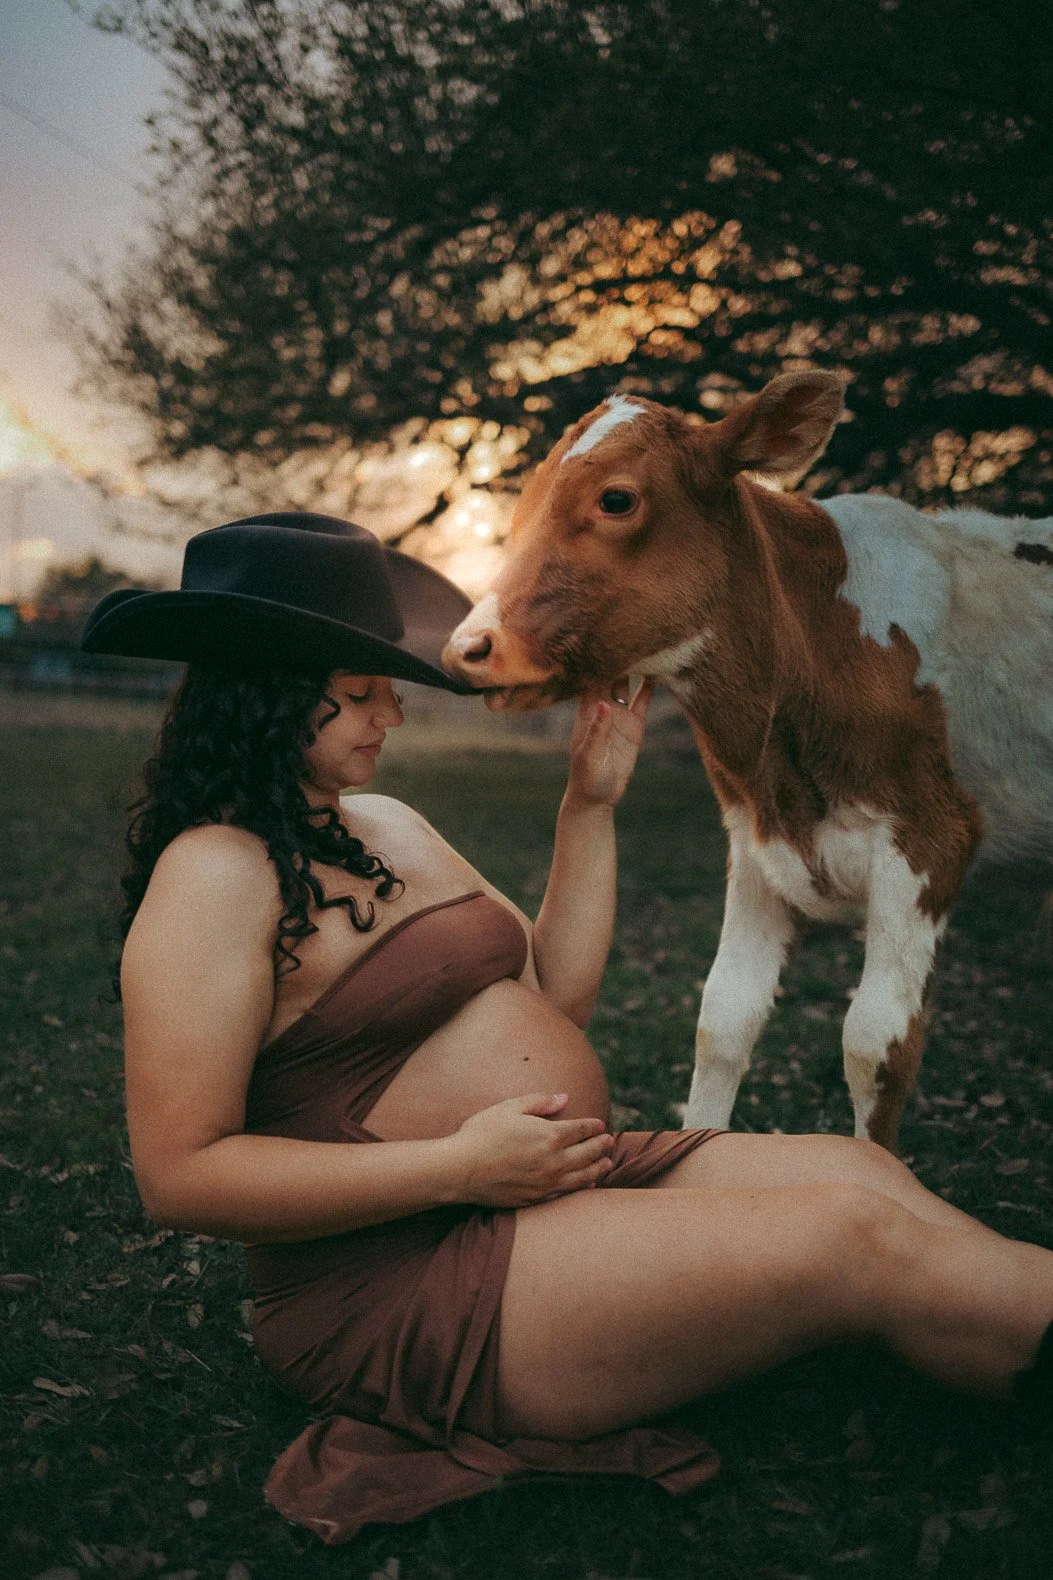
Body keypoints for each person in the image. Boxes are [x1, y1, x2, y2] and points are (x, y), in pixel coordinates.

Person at [83, 512, 1052, 1545]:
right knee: (855, 1239)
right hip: (394, 1277)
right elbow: (180, 1173)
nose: (392, 714)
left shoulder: (382, 822)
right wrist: (457, 1166)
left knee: (868, 1180)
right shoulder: (212, 876)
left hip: (538, 1179)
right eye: (361, 693)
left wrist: (589, 806)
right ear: (263, 690)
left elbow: (550, 998)